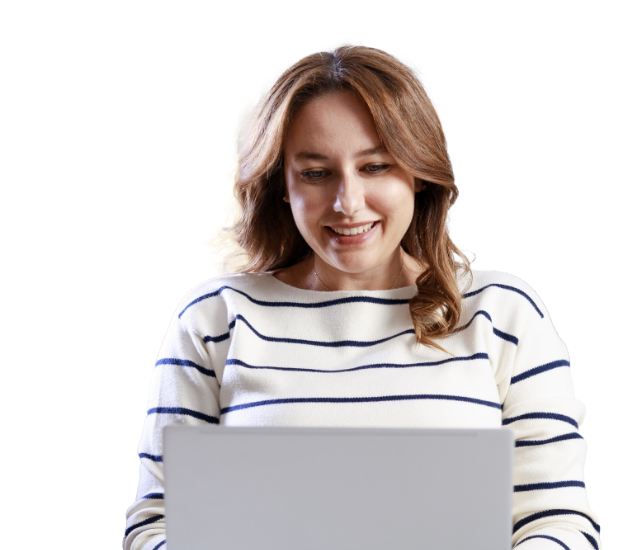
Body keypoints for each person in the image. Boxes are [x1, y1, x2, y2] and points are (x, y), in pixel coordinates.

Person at [123, 39, 602, 549]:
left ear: (418, 173)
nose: (348, 203)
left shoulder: (503, 313)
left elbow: (556, 523)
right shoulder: (213, 319)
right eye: (315, 173)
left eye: (375, 166)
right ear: (282, 185)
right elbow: (158, 526)